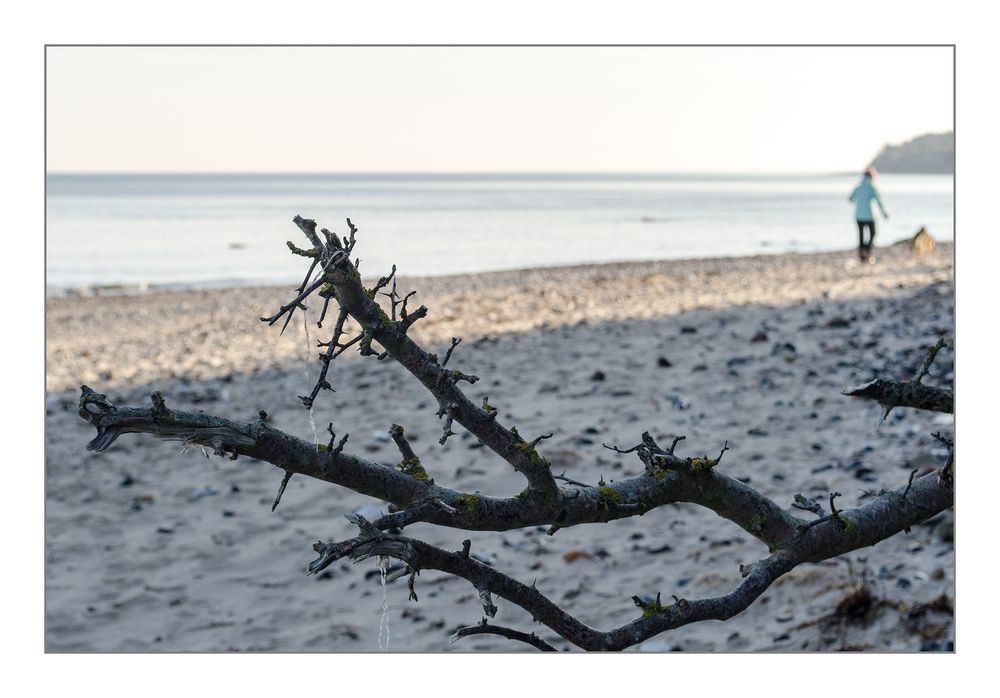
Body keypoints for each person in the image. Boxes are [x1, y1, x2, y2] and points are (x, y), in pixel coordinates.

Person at [848, 167, 888, 262]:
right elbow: (879, 202)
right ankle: (867, 250)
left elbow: (850, 199)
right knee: (873, 233)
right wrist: (884, 213)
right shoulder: (872, 188)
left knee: (861, 235)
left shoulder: (858, 187)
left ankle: (862, 254)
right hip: (870, 216)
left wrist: (859, 201)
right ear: (872, 176)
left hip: (859, 216)